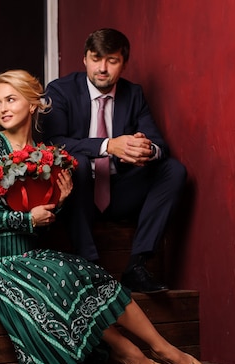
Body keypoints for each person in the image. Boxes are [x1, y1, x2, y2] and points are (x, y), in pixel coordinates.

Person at [0, 69, 206, 364]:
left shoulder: (46, 155)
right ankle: (129, 351)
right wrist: (24, 219)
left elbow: (40, 223)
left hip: (27, 253)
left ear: (33, 104)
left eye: (11, 99)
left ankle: (164, 348)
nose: (3, 107)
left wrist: (59, 201)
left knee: (90, 273)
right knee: (62, 274)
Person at [41, 28, 187, 294]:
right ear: (84, 59)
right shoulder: (61, 90)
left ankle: (137, 265)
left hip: (118, 191)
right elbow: (53, 143)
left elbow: (160, 146)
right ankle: (90, 265)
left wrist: (144, 149)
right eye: (96, 58)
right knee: (79, 163)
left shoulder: (134, 94)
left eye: (112, 60)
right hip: (76, 195)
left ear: (124, 63)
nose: (103, 68)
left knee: (173, 170)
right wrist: (110, 145)